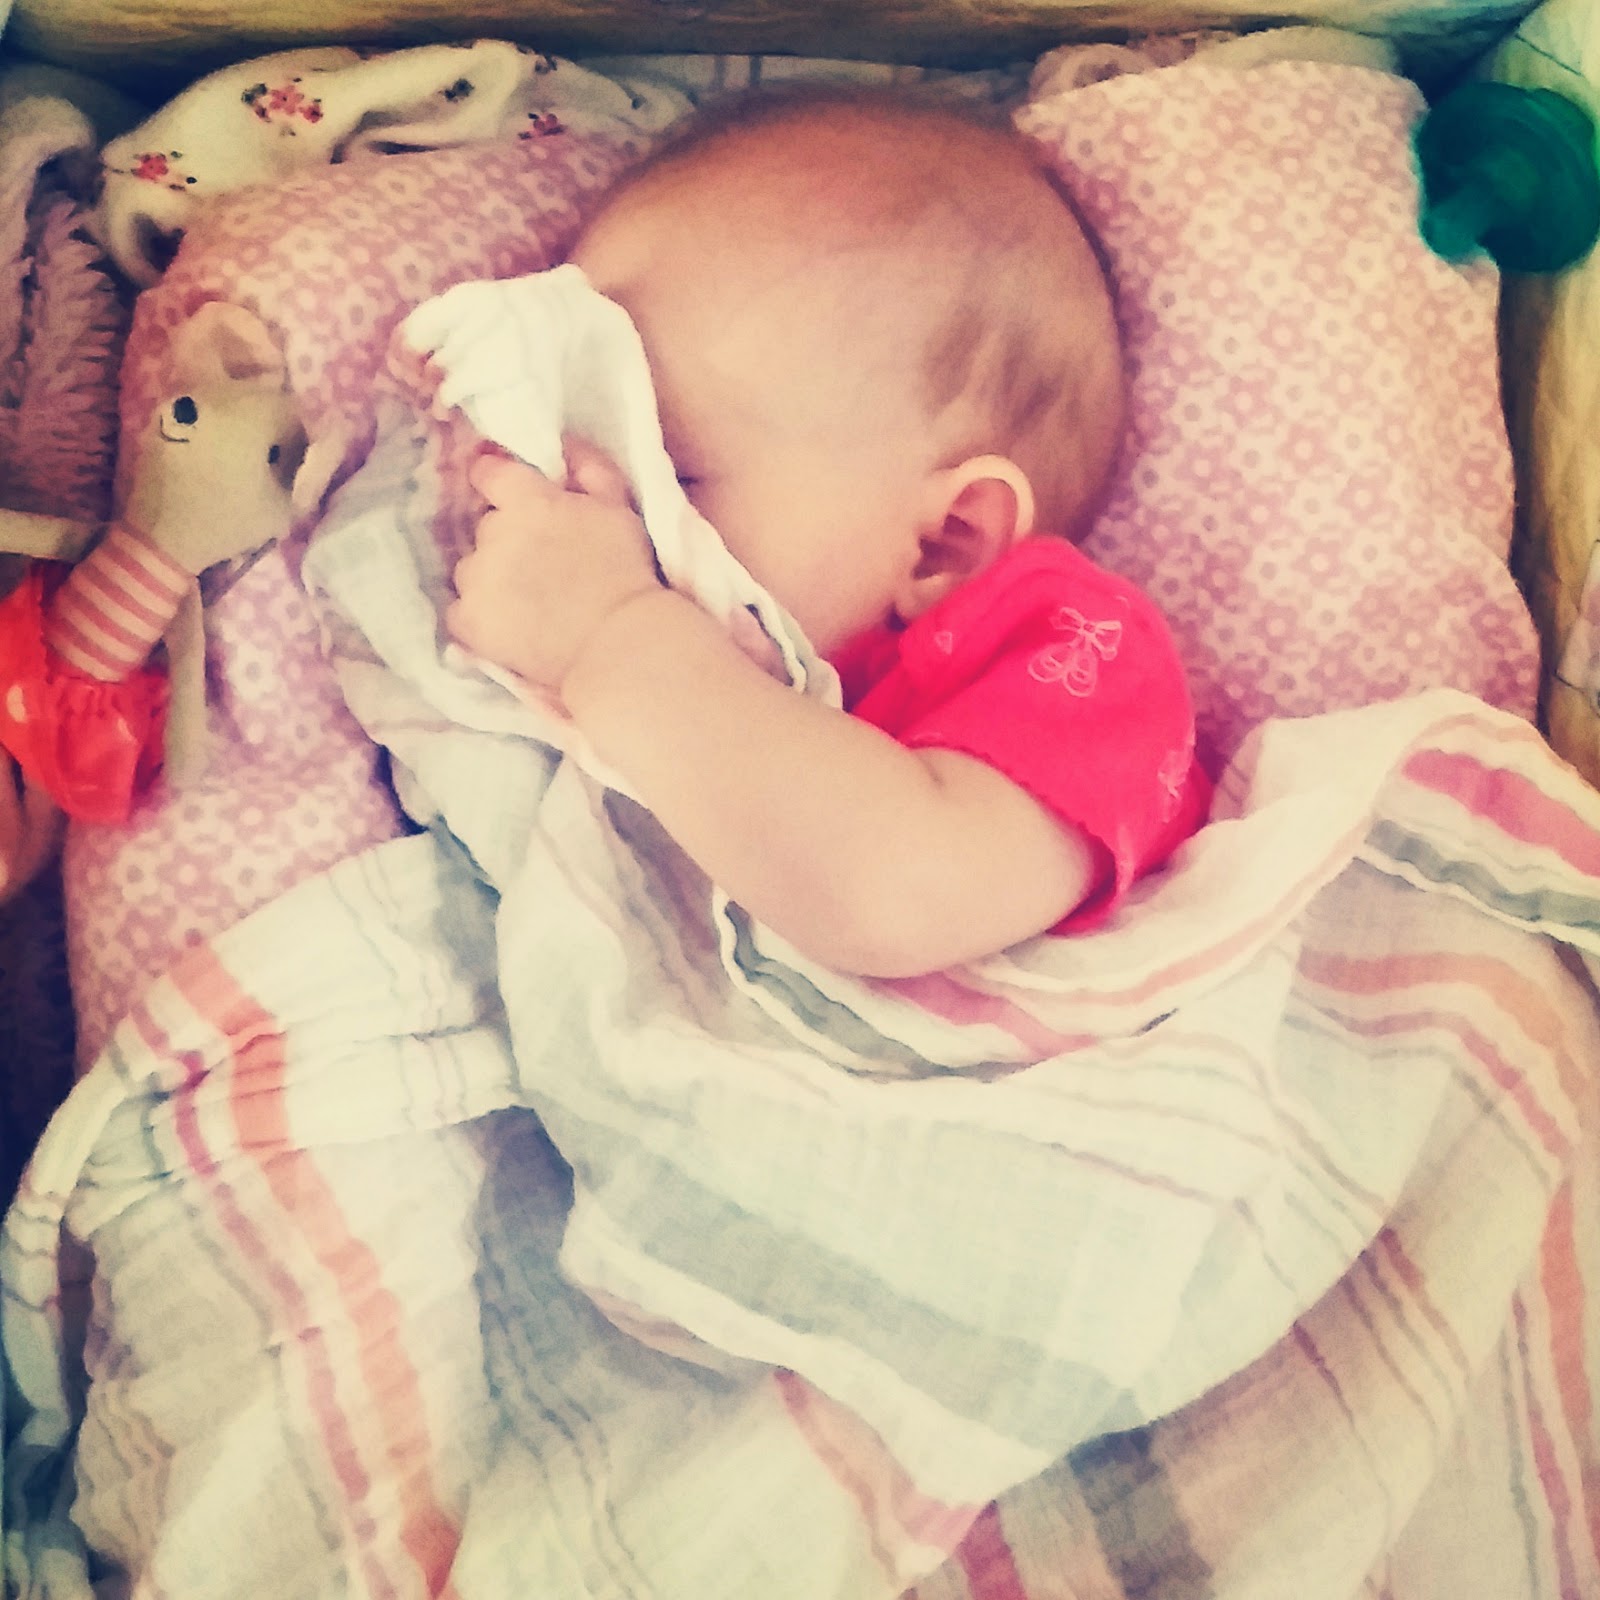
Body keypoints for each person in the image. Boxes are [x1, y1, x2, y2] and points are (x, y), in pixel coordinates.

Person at [446, 86, 1209, 978]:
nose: (607, 506)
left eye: (679, 473)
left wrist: (609, 631)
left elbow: (895, 896)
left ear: (948, 541)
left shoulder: (1069, 658)